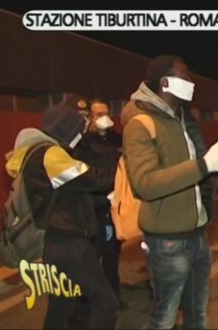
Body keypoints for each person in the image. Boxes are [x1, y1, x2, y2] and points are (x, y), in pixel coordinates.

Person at [121, 55, 218, 329]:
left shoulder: (181, 119)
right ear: (165, 82)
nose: (191, 83)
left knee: (197, 314)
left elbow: (205, 168)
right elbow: (145, 183)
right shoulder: (140, 123)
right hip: (167, 241)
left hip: (197, 235)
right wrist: (204, 164)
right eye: (185, 77)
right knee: (164, 318)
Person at [5, 102, 118, 328]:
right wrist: (122, 166)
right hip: (67, 242)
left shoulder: (33, 154)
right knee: (104, 301)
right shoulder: (50, 154)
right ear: (66, 129)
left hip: (51, 241)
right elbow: (94, 179)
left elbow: (69, 193)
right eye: (78, 130)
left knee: (62, 303)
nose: (80, 136)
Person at [72, 98, 125, 308]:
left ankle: (113, 296)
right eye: (98, 114)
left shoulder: (117, 140)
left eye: (106, 113)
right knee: (92, 258)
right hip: (93, 209)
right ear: (90, 117)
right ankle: (86, 302)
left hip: (113, 209)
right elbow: (84, 176)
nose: (103, 118)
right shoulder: (83, 143)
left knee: (112, 257)